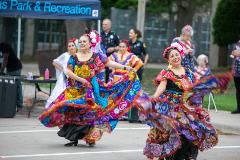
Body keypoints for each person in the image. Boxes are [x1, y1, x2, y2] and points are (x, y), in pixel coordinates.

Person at [39, 32, 142, 147]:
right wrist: (81, 79)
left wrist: (125, 67)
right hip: (75, 89)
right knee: (72, 109)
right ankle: (74, 138)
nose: (82, 43)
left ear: (90, 44)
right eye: (80, 42)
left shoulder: (96, 56)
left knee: (89, 112)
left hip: (91, 89)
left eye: (84, 42)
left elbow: (108, 63)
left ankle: (90, 137)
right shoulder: (74, 57)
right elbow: (68, 71)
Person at [137, 46, 231, 160]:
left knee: (192, 131)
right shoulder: (166, 72)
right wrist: (154, 97)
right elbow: (162, 87)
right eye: (172, 56)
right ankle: (175, 156)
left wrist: (197, 105)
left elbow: (194, 89)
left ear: (180, 55)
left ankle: (187, 155)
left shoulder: (189, 71)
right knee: (174, 134)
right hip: (171, 109)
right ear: (168, 60)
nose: (175, 57)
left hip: (186, 107)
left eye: (177, 54)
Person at [45, 38, 77, 108]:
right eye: (69, 46)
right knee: (59, 92)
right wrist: (62, 70)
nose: (71, 47)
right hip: (64, 78)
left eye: (73, 45)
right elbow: (55, 62)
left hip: (74, 77)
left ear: (76, 47)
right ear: (67, 48)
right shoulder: (65, 55)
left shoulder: (78, 56)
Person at [0, 42, 23, 111]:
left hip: (15, 68)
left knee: (16, 85)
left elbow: (5, 59)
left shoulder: (4, 46)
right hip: (10, 68)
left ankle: (19, 105)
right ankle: (10, 104)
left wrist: (1, 71)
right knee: (11, 86)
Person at [231, 40, 240, 114]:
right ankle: (238, 108)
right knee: (238, 90)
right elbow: (233, 54)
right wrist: (234, 53)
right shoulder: (237, 43)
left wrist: (239, 53)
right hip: (236, 72)